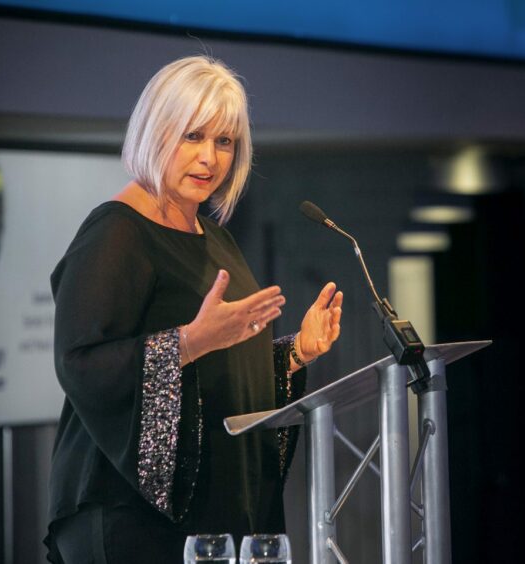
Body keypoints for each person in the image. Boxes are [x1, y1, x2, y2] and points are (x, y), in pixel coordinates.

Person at [44, 55, 343, 563]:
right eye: (193, 136)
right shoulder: (116, 232)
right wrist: (188, 342)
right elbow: (80, 362)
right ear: (156, 132)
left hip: (210, 517)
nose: (210, 158)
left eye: (224, 142)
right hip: (129, 517)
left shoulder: (217, 240)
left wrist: (294, 354)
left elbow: (221, 373)